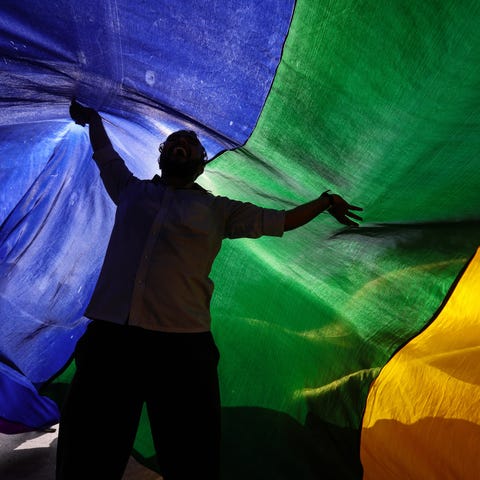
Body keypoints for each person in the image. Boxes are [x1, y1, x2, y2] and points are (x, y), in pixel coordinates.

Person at [56, 99, 363, 480]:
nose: (182, 142)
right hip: (112, 341)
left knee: (191, 459)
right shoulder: (130, 190)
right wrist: (94, 119)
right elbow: (105, 155)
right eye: (174, 140)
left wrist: (325, 201)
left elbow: (280, 221)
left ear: (201, 163)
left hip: (182, 350)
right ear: (162, 155)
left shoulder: (219, 211)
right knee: (87, 452)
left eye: (191, 143)